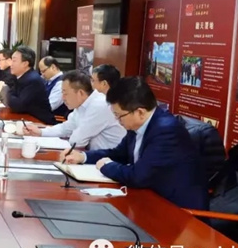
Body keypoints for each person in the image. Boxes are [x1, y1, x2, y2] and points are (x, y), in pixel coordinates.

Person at [61, 77, 208, 210]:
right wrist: (83, 157)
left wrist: (106, 166)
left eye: (119, 116)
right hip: (148, 199)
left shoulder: (165, 131)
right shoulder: (137, 125)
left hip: (177, 210)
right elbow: (119, 154)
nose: (117, 121)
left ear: (140, 112)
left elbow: (138, 176)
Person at [23, 71, 125, 150]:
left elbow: (77, 141)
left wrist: (70, 136)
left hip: (109, 160)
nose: (63, 98)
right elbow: (67, 128)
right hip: (93, 156)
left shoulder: (99, 105)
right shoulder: (82, 105)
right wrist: (40, 132)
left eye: (65, 93)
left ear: (80, 93)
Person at [0, 46, 56, 125]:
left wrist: (8, 93)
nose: (11, 64)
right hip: (26, 120)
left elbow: (18, 106)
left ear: (25, 64)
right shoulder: (20, 77)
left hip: (42, 124)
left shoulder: (33, 80)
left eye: (14, 60)